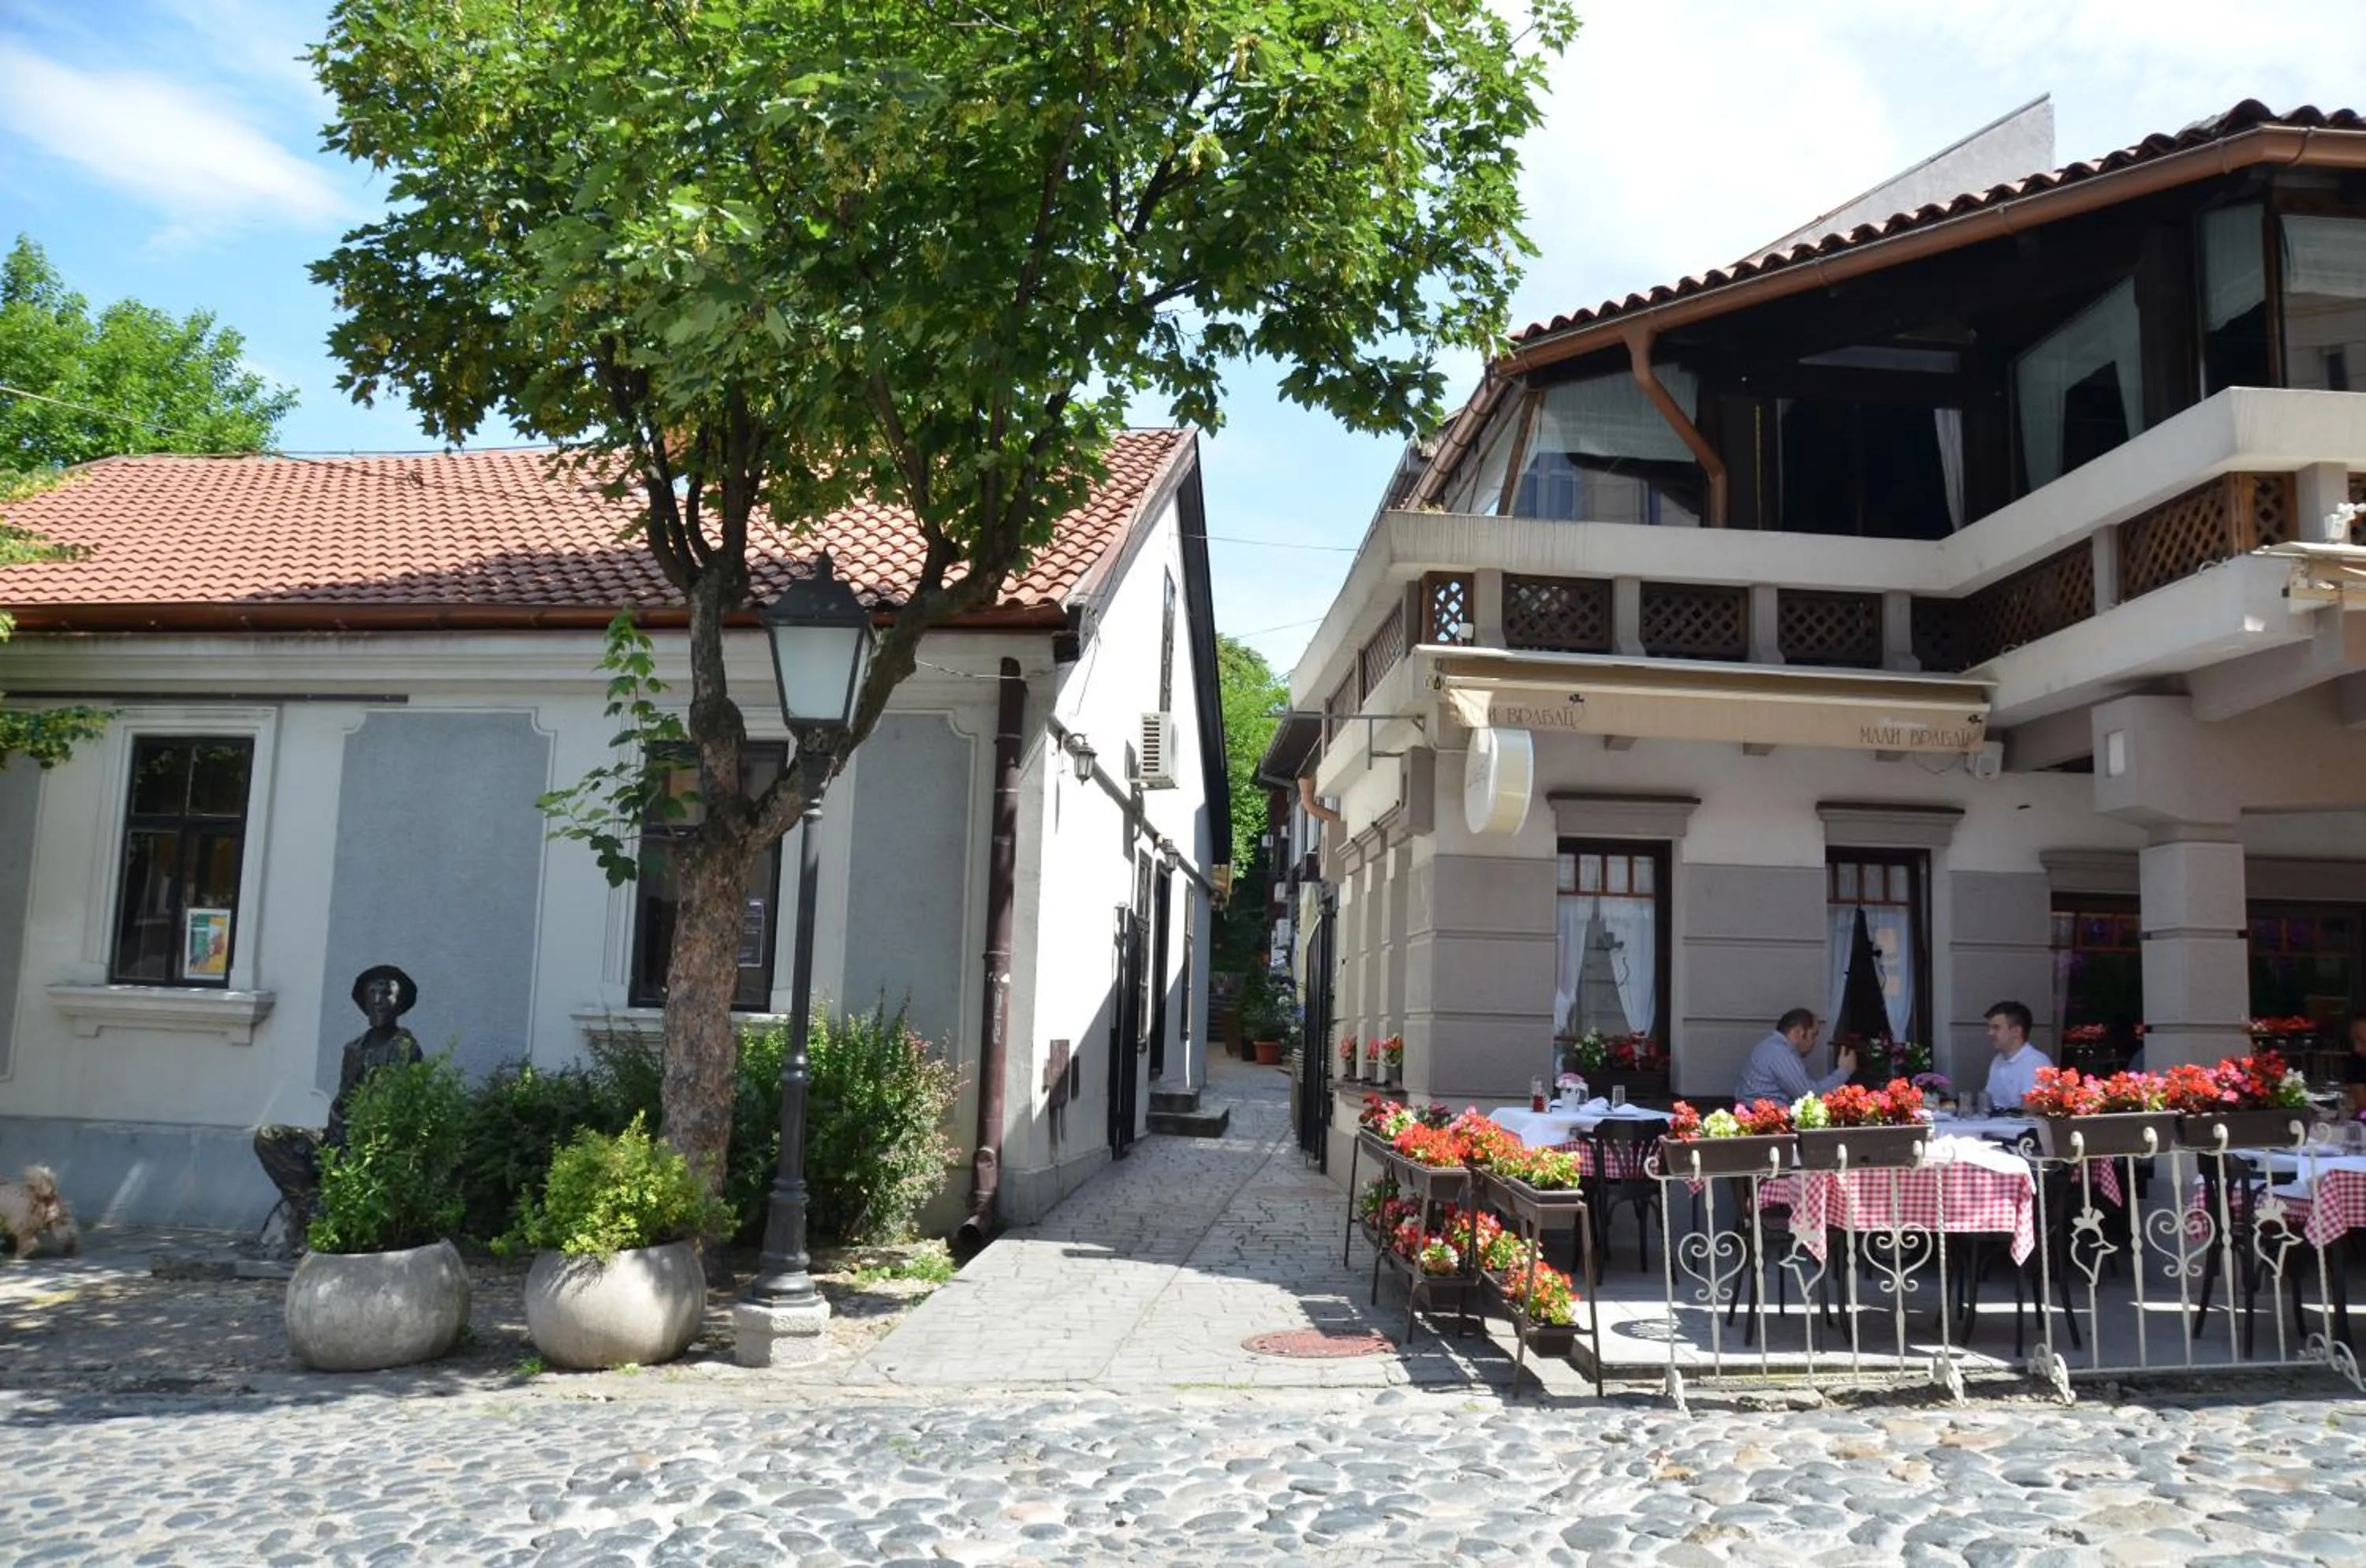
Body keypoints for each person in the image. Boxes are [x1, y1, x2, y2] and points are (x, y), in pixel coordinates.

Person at [252, 965, 424, 1252]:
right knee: (269, 1136)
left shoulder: (404, 1048)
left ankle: (321, 1220)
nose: (380, 999)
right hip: (338, 1138)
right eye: (373, 992)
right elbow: (343, 1101)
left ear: (400, 1002)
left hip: (374, 1145)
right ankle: (314, 1213)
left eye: (387, 992)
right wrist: (335, 1132)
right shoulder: (354, 1049)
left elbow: (398, 1110)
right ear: (365, 1001)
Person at [1732, 1008, 1856, 1105]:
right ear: (1798, 1033)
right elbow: (1808, 1096)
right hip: (1766, 1125)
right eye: (1813, 1035)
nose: (1814, 1042)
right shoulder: (1780, 1052)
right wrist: (1844, 1072)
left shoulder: (1772, 1046)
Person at [1983, 1000, 2051, 1110]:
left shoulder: (2035, 1062)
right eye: (1989, 1028)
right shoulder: (1998, 1060)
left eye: (1996, 1028)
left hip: (2024, 1126)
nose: (1990, 1033)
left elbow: (2030, 1110)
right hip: (1997, 1124)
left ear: (2016, 1031)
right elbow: (1987, 1102)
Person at [2345, 1015, 2366, 1117]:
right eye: (2354, 1041)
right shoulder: (2357, 1061)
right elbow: (2362, 1107)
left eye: (2363, 1042)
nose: (2357, 1048)